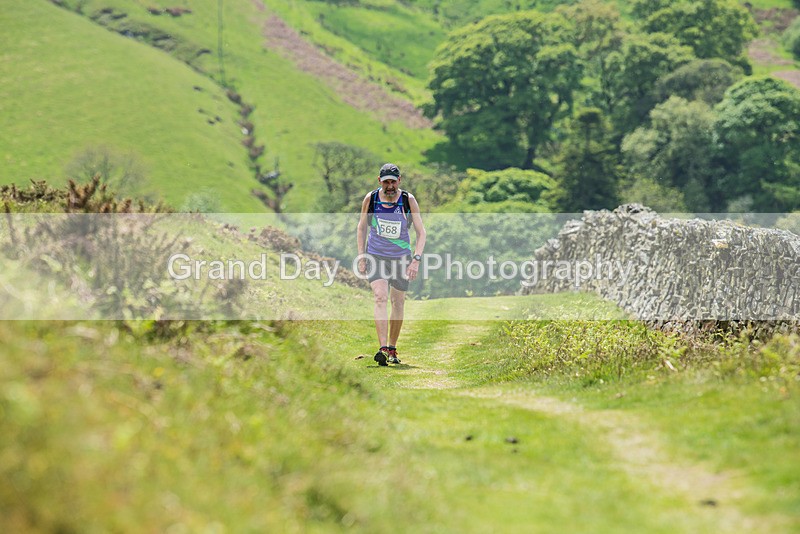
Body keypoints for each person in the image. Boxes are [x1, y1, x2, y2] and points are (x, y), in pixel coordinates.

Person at [356, 163, 426, 366]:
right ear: (379, 181)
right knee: (380, 297)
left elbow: (422, 233)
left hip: (401, 258)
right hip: (376, 255)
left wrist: (416, 259)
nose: (389, 186)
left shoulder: (407, 200)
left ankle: (392, 347)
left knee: (397, 302)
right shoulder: (371, 199)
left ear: (399, 181)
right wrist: (362, 256)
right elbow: (361, 228)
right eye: (385, 182)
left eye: (393, 182)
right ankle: (383, 349)